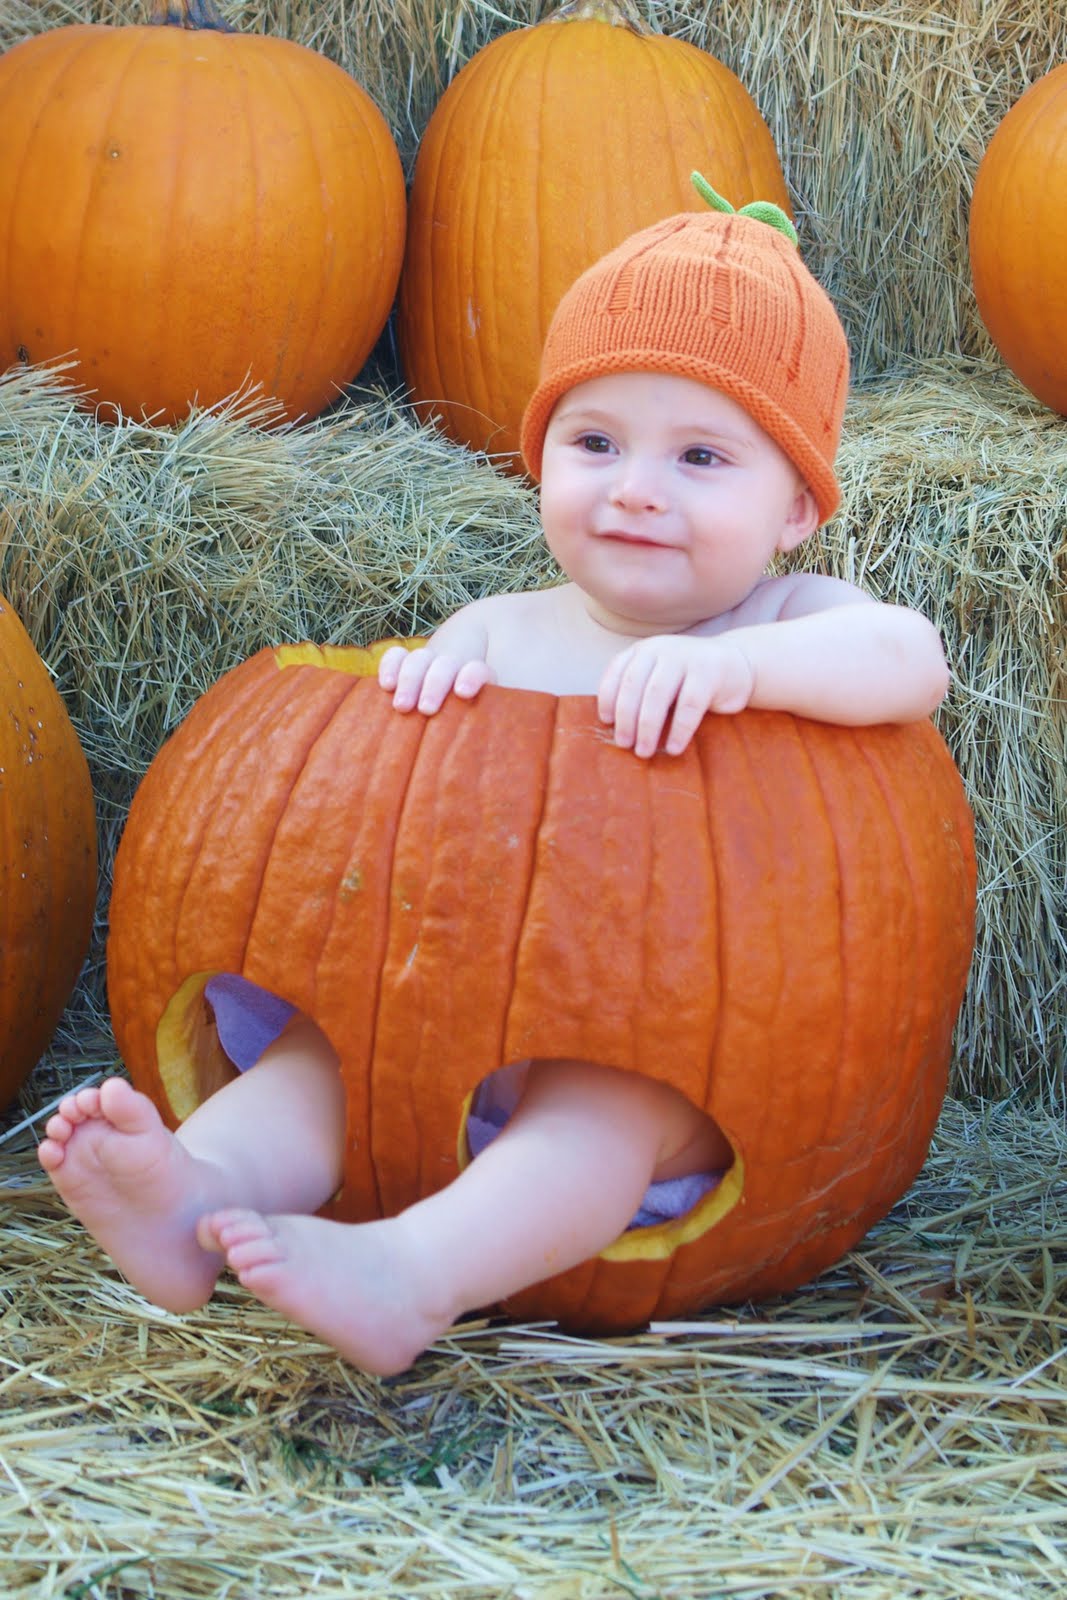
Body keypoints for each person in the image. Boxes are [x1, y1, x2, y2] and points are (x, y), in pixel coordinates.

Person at [38, 181, 949, 1376]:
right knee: (318, 1065)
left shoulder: (793, 619)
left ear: (792, 508)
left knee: (598, 1117)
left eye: (699, 455)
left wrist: (742, 672)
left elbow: (909, 663)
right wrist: (407, 697)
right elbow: (404, 808)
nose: (634, 487)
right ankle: (197, 1197)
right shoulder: (497, 626)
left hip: (654, 1054)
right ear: (540, 460)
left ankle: (412, 1273)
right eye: (594, 441)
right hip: (435, 1030)